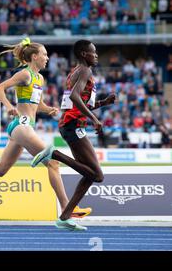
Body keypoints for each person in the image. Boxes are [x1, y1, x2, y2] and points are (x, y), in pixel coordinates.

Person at [0, 37, 92, 223]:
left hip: (24, 128)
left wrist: (49, 109)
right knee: (53, 163)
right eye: (44, 55)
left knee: (0, 169)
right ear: (34, 56)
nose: (47, 58)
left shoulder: (39, 78)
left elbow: (38, 104)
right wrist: (8, 106)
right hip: (21, 125)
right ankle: (67, 209)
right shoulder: (25, 74)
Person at [38, 39, 116, 230]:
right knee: (97, 175)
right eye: (93, 52)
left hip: (70, 124)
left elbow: (78, 102)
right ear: (83, 54)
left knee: (90, 175)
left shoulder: (76, 71)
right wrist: (94, 119)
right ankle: (55, 154)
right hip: (73, 126)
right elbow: (74, 96)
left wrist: (103, 103)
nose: (96, 55)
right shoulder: (85, 71)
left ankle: (65, 217)